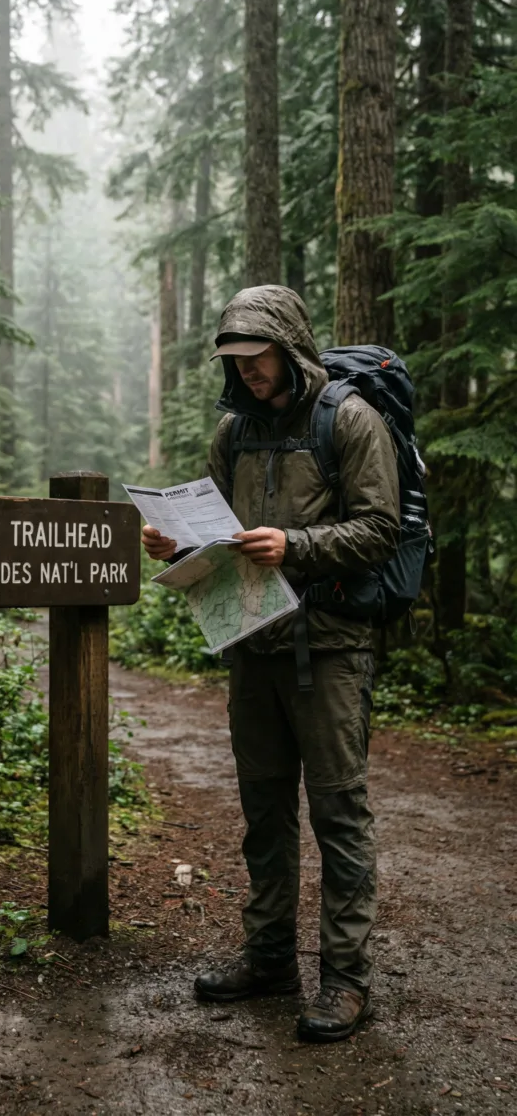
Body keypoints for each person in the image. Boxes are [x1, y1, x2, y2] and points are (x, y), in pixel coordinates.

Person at [142, 285, 400, 1043]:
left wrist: (298, 547)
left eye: (257, 360)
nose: (248, 374)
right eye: (236, 362)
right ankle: (269, 959)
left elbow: (381, 528)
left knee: (338, 812)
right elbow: (216, 531)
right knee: (264, 811)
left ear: (288, 348)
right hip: (252, 643)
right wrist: (175, 543)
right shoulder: (234, 433)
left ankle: (347, 981)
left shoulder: (351, 422)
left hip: (330, 648)